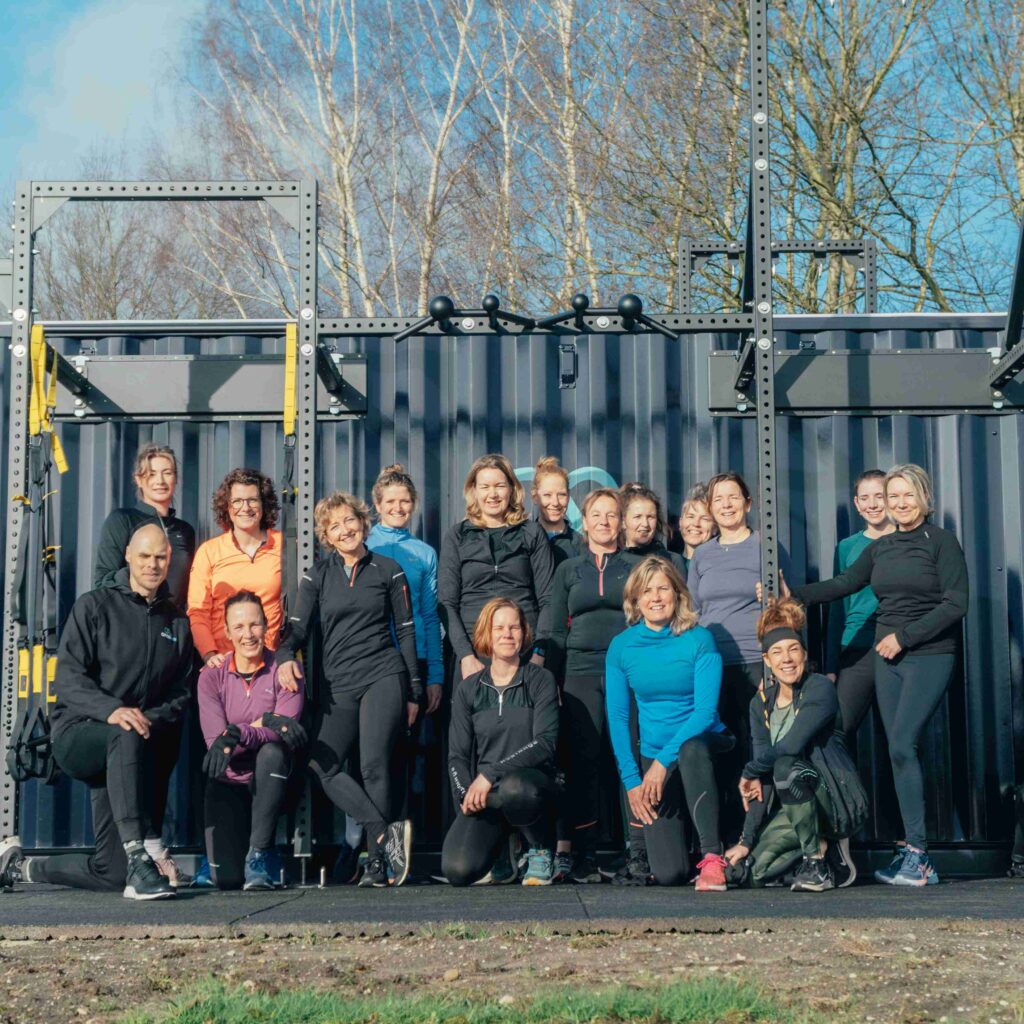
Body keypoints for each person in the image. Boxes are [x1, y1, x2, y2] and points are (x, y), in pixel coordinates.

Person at [791, 464, 968, 886]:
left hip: (928, 655)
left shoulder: (941, 542)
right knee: (897, 749)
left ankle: (919, 857)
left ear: (924, 498)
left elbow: (956, 603)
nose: (900, 503)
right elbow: (844, 584)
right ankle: (912, 852)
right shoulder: (882, 547)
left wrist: (904, 637)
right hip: (887, 658)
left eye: (907, 495)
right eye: (893, 497)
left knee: (904, 743)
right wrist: (793, 594)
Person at [0, 524, 194, 899]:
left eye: (160, 557)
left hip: (128, 746)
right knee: (124, 731)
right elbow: (68, 679)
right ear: (128, 556)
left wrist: (146, 719)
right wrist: (113, 711)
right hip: (79, 734)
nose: (152, 564)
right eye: (144, 556)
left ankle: (20, 868)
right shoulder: (95, 606)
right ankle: (139, 855)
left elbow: (181, 692)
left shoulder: (176, 622)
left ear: (168, 560)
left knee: (111, 873)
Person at [276, 492, 421, 888]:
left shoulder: (388, 570)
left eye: (349, 520)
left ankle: (376, 864)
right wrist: (285, 656)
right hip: (338, 685)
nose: (344, 530)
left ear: (363, 522)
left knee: (374, 766)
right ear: (326, 535)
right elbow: (297, 630)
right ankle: (382, 831)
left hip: (383, 676)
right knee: (320, 764)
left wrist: (414, 690)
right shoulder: (317, 576)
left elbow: (407, 632)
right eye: (334, 525)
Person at [94, 442, 197, 888]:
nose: (160, 479)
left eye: (167, 471)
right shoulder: (122, 521)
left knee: (163, 752)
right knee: (127, 748)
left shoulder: (185, 531)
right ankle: (129, 853)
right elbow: (103, 581)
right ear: (139, 480)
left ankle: (154, 851)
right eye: (151, 472)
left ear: (176, 479)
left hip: (170, 650)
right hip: (128, 653)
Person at [606, 556, 733, 890]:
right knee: (669, 874)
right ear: (635, 600)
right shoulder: (621, 647)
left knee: (691, 749)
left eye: (663, 588)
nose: (656, 597)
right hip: (654, 758)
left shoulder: (699, 639)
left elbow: (705, 713)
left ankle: (711, 857)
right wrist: (632, 781)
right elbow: (618, 718)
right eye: (647, 591)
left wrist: (662, 763)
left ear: (678, 594)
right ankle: (685, 855)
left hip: (703, 747)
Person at [724, 599, 867, 892]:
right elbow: (762, 778)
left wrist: (749, 770)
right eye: (777, 652)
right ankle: (818, 849)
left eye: (793, 649)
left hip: (837, 800)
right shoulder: (760, 704)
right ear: (767, 660)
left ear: (804, 653)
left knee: (786, 768)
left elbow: (791, 745)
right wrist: (746, 840)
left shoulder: (820, 688)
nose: (786, 659)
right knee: (752, 874)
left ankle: (817, 862)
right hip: (796, 804)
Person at [687, 471, 791, 838]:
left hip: (756, 663)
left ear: (748, 504)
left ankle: (757, 835)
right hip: (712, 667)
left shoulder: (765, 546)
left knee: (756, 748)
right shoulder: (702, 554)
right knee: (721, 749)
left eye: (733, 497)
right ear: (710, 508)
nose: (726, 505)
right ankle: (726, 837)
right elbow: (693, 612)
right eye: (718, 499)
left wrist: (776, 598)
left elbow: (789, 607)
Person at [443, 598, 560, 887]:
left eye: (514, 627)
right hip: (490, 796)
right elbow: (457, 756)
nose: (507, 634)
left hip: (531, 789)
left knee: (515, 787)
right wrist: (465, 795)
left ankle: (539, 850)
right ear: (487, 633)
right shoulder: (468, 689)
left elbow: (544, 743)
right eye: (499, 628)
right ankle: (502, 852)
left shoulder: (540, 680)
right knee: (458, 870)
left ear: (524, 633)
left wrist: (489, 774)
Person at [547, 488, 631, 882]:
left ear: (621, 521)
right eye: (596, 514)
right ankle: (584, 854)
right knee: (583, 764)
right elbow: (554, 631)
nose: (604, 521)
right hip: (579, 673)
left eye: (611, 514)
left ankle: (636, 851)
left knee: (628, 759)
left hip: (625, 673)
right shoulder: (568, 570)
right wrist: (553, 680)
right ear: (585, 521)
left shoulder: (635, 567)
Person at [198, 591, 305, 890]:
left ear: (266, 625)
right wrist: (267, 721)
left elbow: (286, 730)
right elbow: (217, 744)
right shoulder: (211, 676)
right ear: (227, 632)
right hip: (230, 781)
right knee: (226, 880)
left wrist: (239, 732)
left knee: (272, 752)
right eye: (239, 627)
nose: (248, 634)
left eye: (255, 624)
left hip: (273, 781)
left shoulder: (284, 670)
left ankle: (260, 852)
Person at [439, 454, 555, 682]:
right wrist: (465, 656)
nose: (492, 494)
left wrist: (539, 653)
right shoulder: (457, 536)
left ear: (512, 489)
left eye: (500, 486)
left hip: (524, 650)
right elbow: (446, 603)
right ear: (474, 491)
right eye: (485, 487)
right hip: (473, 653)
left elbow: (549, 599)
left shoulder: (531, 533)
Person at [824, 470, 895, 746]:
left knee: (898, 738)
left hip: (897, 648)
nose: (872, 504)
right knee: (837, 731)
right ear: (856, 503)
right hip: (855, 649)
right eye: (865, 498)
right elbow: (837, 609)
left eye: (879, 496)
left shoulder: (908, 541)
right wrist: (831, 665)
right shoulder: (847, 547)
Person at [188, 468, 283, 668]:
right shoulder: (209, 551)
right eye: (237, 501)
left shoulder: (284, 546)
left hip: (269, 664)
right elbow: (198, 612)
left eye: (252, 500)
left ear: (264, 504)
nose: (245, 508)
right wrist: (209, 654)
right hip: (222, 663)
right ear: (227, 507)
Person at [620, 482, 688, 576]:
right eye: (637, 517)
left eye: (650, 517)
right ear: (623, 522)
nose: (645, 524)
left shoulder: (672, 561)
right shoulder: (612, 562)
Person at [532, 456, 582, 565]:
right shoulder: (524, 540)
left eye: (561, 494)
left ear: (568, 496)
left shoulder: (581, 544)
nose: (555, 503)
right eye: (547, 495)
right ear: (535, 497)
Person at [677, 483, 715, 575]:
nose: (696, 523)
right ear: (680, 522)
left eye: (705, 519)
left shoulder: (719, 567)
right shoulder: (669, 564)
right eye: (690, 516)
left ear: (715, 528)